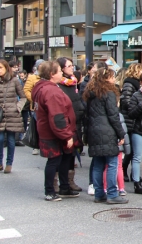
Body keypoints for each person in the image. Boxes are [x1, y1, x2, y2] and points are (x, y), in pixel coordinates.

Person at [32, 61, 78, 202]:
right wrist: (66, 135)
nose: (61, 73)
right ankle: (50, 191)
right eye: (59, 71)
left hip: (49, 130)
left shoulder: (44, 87)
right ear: (52, 74)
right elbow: (57, 116)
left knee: (64, 158)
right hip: (53, 132)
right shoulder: (51, 90)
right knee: (54, 161)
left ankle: (64, 187)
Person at [83, 66, 128, 205]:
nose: (114, 79)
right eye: (112, 76)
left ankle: (99, 193)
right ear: (106, 78)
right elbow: (113, 115)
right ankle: (112, 194)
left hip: (93, 131)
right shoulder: (109, 93)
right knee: (112, 163)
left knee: (98, 164)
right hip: (107, 131)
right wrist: (121, 134)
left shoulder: (90, 93)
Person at [0, 60, 26, 175]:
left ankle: (9, 164)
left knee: (11, 140)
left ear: (6, 68)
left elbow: (23, 96)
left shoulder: (14, 81)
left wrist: (18, 107)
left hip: (12, 114)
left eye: (0, 67)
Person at [56, 58, 85, 193]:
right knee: (61, 154)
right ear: (61, 69)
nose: (72, 68)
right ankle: (57, 182)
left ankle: (69, 181)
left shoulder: (73, 82)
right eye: (69, 66)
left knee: (72, 153)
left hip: (76, 122)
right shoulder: (58, 85)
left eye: (72, 65)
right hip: (65, 123)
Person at [119, 63, 142, 184]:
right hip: (130, 118)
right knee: (130, 149)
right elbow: (126, 101)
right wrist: (138, 107)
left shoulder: (136, 84)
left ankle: (133, 173)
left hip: (134, 118)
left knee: (134, 149)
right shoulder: (129, 84)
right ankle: (124, 170)